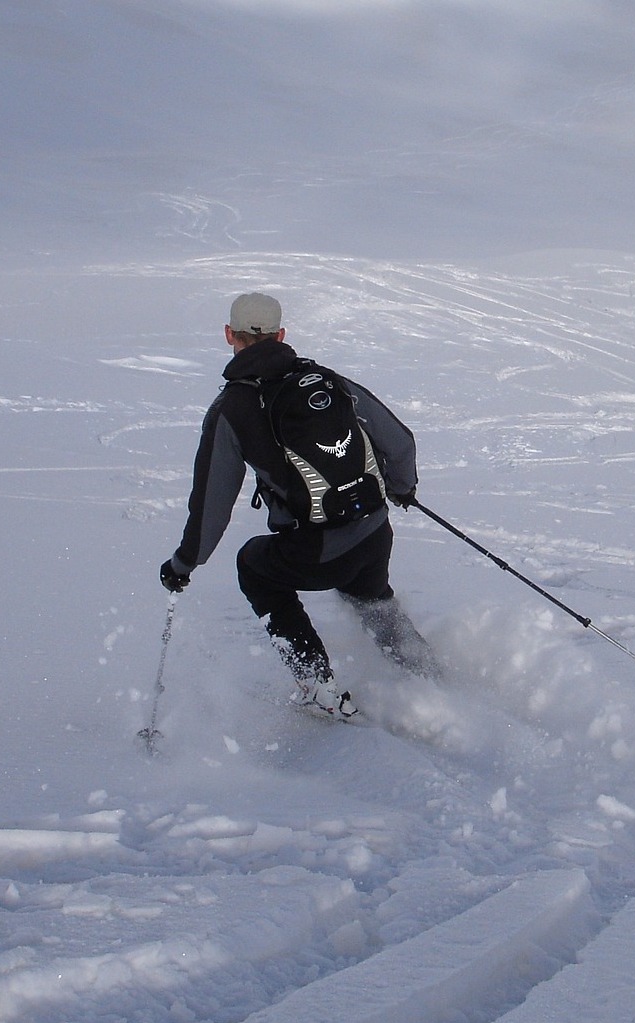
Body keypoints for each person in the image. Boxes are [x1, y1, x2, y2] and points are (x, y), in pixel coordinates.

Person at [160, 291, 436, 721]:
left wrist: (184, 563)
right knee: (370, 595)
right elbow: (399, 442)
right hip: (374, 529)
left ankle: (317, 684)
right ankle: (429, 673)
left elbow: (212, 501)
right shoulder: (323, 379)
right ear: (281, 334)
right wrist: (402, 489)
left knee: (255, 567)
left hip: (316, 549)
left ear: (229, 335)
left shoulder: (231, 408)